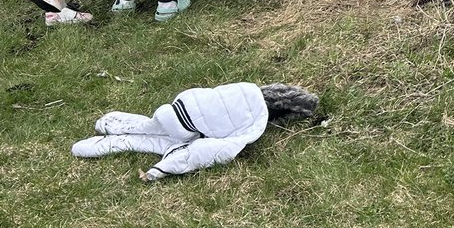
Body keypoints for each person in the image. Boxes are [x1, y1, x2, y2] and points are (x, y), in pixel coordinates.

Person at [72, 82, 318, 181]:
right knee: (150, 140)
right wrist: (162, 169)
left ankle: (114, 124)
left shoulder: (247, 89)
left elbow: (208, 95)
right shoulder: (251, 127)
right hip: (187, 128)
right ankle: (119, 130)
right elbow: (209, 150)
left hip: (179, 106)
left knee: (149, 130)